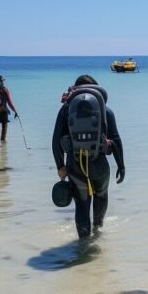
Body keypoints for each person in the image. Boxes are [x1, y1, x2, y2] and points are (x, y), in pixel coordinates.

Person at [52, 75, 126, 238]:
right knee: (101, 195)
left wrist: (60, 166)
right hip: (99, 164)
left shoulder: (65, 110)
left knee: (82, 203)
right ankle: (98, 230)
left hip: (75, 165)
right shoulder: (106, 111)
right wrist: (121, 166)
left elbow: (56, 141)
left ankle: (83, 245)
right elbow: (116, 139)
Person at [0, 74, 20, 142]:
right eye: (2, 81)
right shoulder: (5, 89)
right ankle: (3, 142)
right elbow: (9, 102)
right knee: (4, 127)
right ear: (1, 81)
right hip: (3, 111)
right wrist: (15, 111)